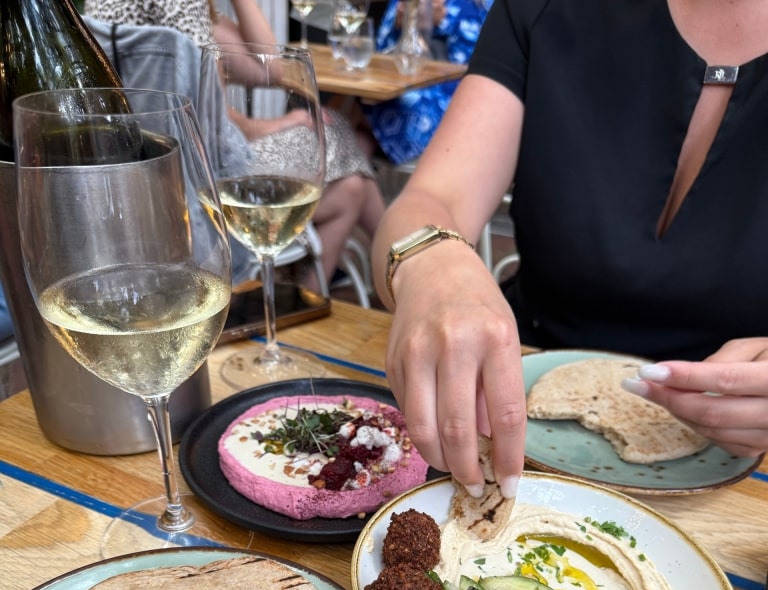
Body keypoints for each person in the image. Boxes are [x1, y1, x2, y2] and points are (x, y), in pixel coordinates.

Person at [371, 0, 768, 501]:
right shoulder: (542, 9)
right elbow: (431, 200)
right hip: (503, 415)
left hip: (743, 476)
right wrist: (433, 264)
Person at [84, 0, 386, 285]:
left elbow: (268, 68)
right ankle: (392, 262)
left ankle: (306, 299)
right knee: (340, 135)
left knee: (351, 187)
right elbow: (203, 111)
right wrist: (275, 124)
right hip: (198, 172)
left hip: (132, 175)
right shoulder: (179, 5)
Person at [365, 0, 490, 165]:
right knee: (354, 110)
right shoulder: (404, 3)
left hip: (455, 99)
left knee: (356, 115)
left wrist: (437, 22)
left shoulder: (474, 6)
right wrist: (406, 22)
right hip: (401, 88)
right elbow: (381, 52)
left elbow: (474, 67)